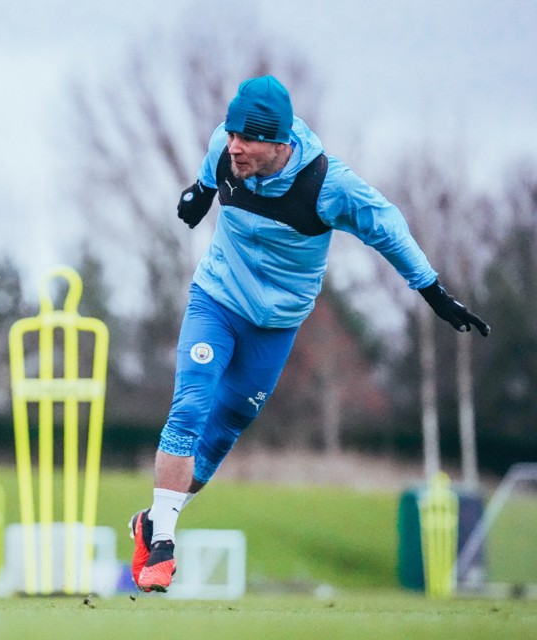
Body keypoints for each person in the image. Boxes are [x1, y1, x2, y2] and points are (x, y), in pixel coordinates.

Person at [129, 75, 490, 593]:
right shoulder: (223, 147)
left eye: (248, 140)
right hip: (216, 299)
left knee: (223, 433)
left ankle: (151, 521)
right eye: (231, 134)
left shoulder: (328, 186)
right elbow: (212, 174)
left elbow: (386, 226)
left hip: (275, 325)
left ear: (281, 143)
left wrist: (433, 292)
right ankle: (162, 542)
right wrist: (200, 194)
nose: (235, 146)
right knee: (191, 400)